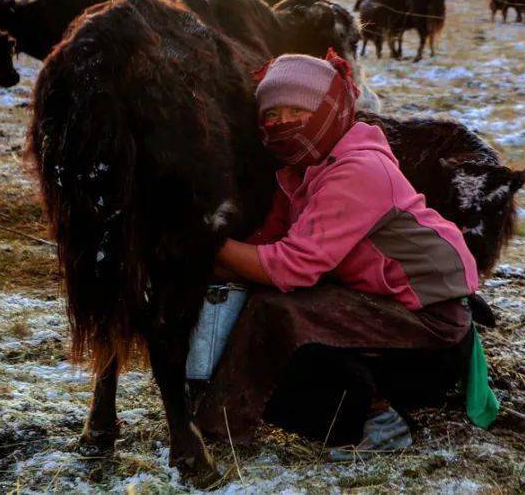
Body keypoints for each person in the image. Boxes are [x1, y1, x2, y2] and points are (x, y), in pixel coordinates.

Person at [196, 50, 497, 461]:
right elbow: (270, 242)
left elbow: (289, 265)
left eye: (297, 109)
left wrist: (205, 244)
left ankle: (375, 420)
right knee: (260, 314)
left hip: (430, 330)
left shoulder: (358, 171)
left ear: (331, 109)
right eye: (271, 114)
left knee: (276, 315)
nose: (281, 122)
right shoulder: (302, 171)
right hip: (383, 309)